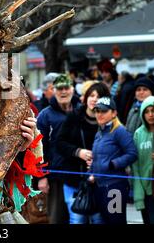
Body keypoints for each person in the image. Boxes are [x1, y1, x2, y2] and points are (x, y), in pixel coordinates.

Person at [57, 82, 110, 224]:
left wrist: (99, 160)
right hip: (74, 180)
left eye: (99, 97)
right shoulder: (73, 117)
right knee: (77, 219)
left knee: (99, 219)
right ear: (86, 97)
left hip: (100, 182)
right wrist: (78, 152)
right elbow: (60, 143)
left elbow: (118, 149)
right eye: (92, 95)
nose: (94, 99)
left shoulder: (109, 121)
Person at [36, 74, 81, 224]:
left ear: (72, 89)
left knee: (81, 216)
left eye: (66, 88)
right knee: (58, 218)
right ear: (53, 91)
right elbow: (37, 149)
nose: (63, 92)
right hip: (56, 176)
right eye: (59, 89)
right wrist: (41, 177)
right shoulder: (45, 115)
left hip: (80, 174)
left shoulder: (81, 110)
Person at [88, 96, 137, 224]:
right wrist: (92, 173)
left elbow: (132, 153)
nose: (99, 114)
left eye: (103, 111)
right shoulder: (99, 133)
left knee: (116, 221)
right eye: (97, 111)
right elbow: (98, 157)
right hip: (99, 186)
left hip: (115, 187)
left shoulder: (120, 131)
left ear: (114, 113)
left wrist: (113, 164)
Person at [132, 96, 154, 224]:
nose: (151, 115)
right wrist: (138, 188)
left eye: (153, 110)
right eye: (146, 112)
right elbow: (135, 165)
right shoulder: (138, 134)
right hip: (145, 189)